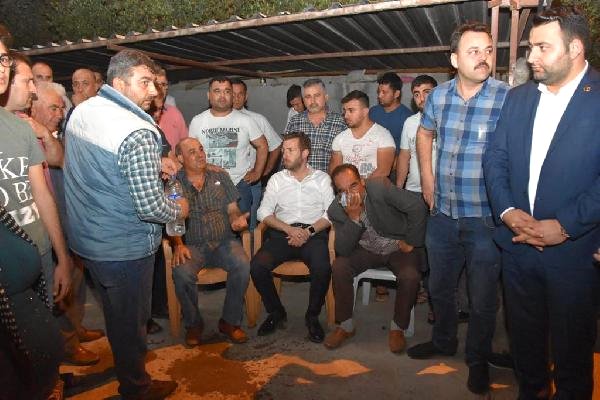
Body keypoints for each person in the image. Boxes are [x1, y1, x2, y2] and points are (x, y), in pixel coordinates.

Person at [483, 7, 600, 398]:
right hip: (518, 249)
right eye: (530, 47)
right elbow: (495, 157)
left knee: (572, 357)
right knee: (526, 349)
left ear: (575, 48)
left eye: (542, 47)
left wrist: (564, 225)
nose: (531, 57)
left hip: (575, 254)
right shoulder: (518, 98)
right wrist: (507, 212)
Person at [64, 49, 188, 399]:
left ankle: (126, 370)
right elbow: (150, 207)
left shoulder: (83, 110)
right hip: (124, 247)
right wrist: (180, 210)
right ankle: (136, 388)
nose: (153, 90)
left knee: (116, 316)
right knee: (132, 324)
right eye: (144, 82)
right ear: (119, 84)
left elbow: (99, 169)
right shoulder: (138, 130)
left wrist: (149, 167)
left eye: (154, 82)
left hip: (88, 239)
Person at [406, 22, 510, 396]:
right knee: (439, 286)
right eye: (473, 51)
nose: (483, 58)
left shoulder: (506, 97)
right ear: (454, 60)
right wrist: (427, 179)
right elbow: (424, 133)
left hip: (485, 218)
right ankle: (444, 340)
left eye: (488, 50)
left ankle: (477, 359)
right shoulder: (438, 97)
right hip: (442, 214)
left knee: (482, 297)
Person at [324, 164, 427, 353]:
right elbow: (343, 249)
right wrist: (354, 219)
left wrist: (411, 241)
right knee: (339, 267)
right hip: (366, 250)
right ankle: (345, 326)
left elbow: (417, 207)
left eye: (353, 185)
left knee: (410, 275)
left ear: (362, 181)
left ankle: (398, 328)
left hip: (397, 246)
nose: (350, 194)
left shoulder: (379, 187)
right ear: (337, 193)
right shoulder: (336, 209)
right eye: (343, 191)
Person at [251, 132, 335, 343]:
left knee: (322, 267)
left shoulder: (322, 179)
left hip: (313, 234)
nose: (284, 154)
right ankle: (276, 312)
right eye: (283, 150)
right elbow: (263, 212)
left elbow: (331, 214)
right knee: (257, 266)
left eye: (290, 150)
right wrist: (288, 229)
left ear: (305, 153)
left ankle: (312, 316)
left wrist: (308, 232)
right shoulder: (277, 179)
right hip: (282, 234)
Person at [170, 137, 251, 347]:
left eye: (201, 149)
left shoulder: (220, 176)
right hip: (192, 245)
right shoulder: (174, 183)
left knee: (242, 264)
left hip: (223, 241)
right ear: (180, 158)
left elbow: (232, 209)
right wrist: (178, 244)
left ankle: (229, 322)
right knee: (181, 272)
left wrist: (236, 220)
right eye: (192, 152)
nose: (200, 155)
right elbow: (172, 219)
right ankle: (194, 324)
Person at [189, 76, 267, 227]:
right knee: (211, 230)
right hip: (207, 185)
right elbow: (190, 152)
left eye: (227, 91)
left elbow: (262, 145)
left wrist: (258, 172)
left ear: (232, 95)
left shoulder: (246, 120)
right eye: (217, 91)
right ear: (209, 95)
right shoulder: (197, 121)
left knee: (241, 229)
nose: (222, 96)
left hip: (239, 185)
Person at [231, 78, 282, 229]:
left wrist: (262, 171)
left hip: (249, 182)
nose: (236, 98)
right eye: (232, 94)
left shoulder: (257, 119)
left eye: (240, 94)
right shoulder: (218, 121)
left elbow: (276, 145)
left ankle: (251, 244)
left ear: (246, 97)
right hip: (224, 182)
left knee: (250, 225)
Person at [329, 90, 395, 178]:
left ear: (365, 112)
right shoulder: (340, 139)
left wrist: (359, 184)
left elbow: (383, 171)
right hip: (347, 186)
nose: (346, 115)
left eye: (351, 110)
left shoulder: (383, 136)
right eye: (345, 111)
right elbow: (335, 172)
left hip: (374, 186)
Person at [285, 78, 346, 172]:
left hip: (329, 180)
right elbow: (286, 156)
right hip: (298, 180)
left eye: (317, 95)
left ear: (326, 97)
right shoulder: (294, 122)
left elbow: (346, 158)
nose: (312, 101)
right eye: (308, 97)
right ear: (303, 100)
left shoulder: (340, 123)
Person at [396, 75, 438, 191]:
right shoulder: (409, 122)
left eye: (426, 92)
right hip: (413, 190)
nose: (422, 98)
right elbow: (404, 156)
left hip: (440, 191)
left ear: (437, 93)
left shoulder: (447, 121)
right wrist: (399, 188)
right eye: (417, 94)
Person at [368, 71, 413, 178]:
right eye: (379, 92)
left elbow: (407, 153)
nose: (379, 95)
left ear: (396, 94)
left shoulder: (408, 118)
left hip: (394, 171)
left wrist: (387, 168)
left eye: (384, 92)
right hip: (370, 165)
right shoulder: (372, 112)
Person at [155, 67, 188, 149]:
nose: (162, 89)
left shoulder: (174, 113)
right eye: (157, 85)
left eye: (164, 85)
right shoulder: (138, 116)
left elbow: (185, 145)